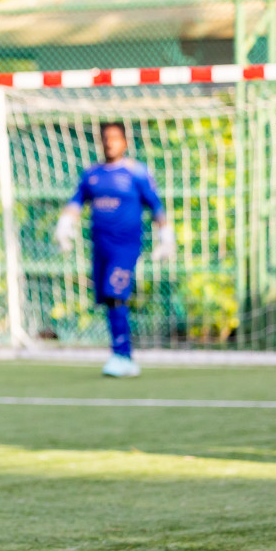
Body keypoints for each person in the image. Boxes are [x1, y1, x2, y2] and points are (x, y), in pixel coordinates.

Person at [54, 121, 176, 377]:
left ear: (125, 142)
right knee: (108, 300)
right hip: (100, 246)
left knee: (115, 292)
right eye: (106, 138)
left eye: (115, 138)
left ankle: (122, 355)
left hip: (126, 247)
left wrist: (166, 236)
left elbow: (155, 205)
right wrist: (64, 225)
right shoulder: (92, 174)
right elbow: (76, 201)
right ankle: (122, 356)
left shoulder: (136, 172)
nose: (110, 142)